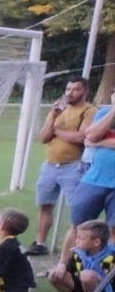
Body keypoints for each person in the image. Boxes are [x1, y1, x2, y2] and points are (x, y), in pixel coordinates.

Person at [28, 76, 93, 254]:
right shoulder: (58, 110)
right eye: (68, 89)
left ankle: (77, 248)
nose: (70, 93)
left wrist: (56, 131)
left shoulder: (89, 111)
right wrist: (53, 118)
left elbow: (81, 137)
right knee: (45, 205)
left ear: (85, 91)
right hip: (50, 166)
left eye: (75, 89)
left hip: (74, 166)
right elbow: (43, 137)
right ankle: (40, 244)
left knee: (77, 209)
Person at [47, 219, 115, 292]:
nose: (76, 241)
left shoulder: (111, 254)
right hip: (84, 288)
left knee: (86, 276)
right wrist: (61, 267)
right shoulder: (78, 254)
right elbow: (68, 270)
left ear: (96, 242)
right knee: (54, 275)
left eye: (80, 238)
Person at [68, 103, 115, 226]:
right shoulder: (104, 113)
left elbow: (93, 141)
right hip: (94, 179)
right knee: (79, 226)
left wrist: (100, 143)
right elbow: (91, 136)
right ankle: (74, 246)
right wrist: (113, 110)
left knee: (113, 229)